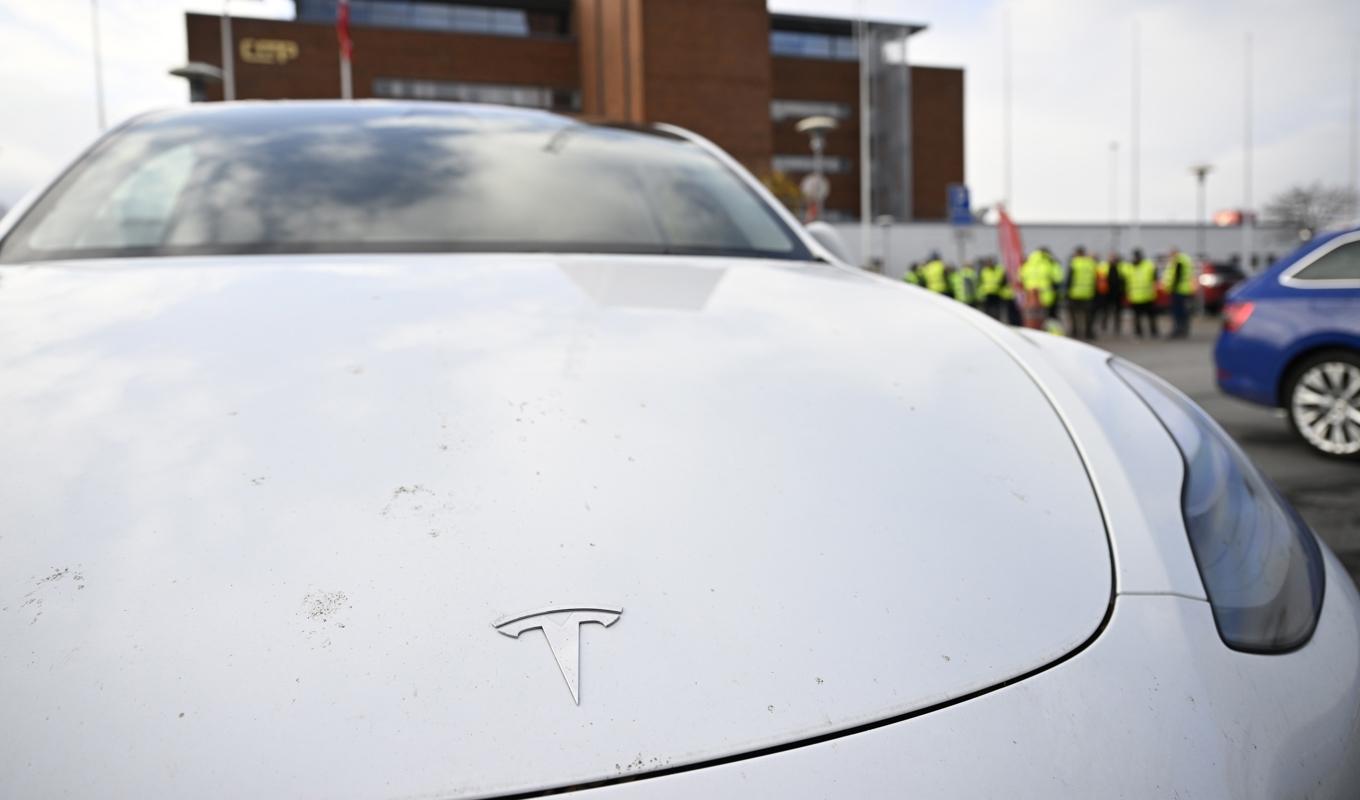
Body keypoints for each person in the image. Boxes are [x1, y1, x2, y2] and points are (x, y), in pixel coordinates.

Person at [1121, 247, 1159, 338]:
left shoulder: (1148, 265)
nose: (1136, 258)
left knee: (1151, 316)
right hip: (1135, 296)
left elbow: (1155, 278)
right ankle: (1139, 332)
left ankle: (1153, 332)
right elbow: (1124, 280)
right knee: (1137, 317)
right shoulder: (1128, 267)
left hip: (1148, 296)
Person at [1162, 247, 1197, 338]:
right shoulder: (1185, 260)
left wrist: (1171, 288)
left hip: (1179, 290)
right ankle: (1183, 330)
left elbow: (1176, 277)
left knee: (1178, 312)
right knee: (1184, 312)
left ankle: (1178, 331)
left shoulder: (1179, 262)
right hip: (1184, 290)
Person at [1065, 246, 1098, 340]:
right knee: (1088, 315)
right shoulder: (1091, 263)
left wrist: (1067, 292)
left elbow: (1069, 279)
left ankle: (1075, 332)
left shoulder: (1074, 263)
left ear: (1077, 253)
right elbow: (1095, 279)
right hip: (1088, 293)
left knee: (1074, 315)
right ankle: (1088, 333)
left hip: (1075, 293)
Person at [1020, 248, 1056, 324]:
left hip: (1030, 296)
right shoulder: (1047, 264)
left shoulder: (1027, 265)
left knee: (1031, 317)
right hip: (1046, 296)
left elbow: (1020, 279)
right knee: (1045, 318)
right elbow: (1057, 278)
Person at [1096, 251, 1127, 336]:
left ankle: (1117, 327)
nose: (1113, 259)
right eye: (1111, 257)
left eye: (1114, 257)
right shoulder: (1103, 266)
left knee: (1117, 311)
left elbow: (1125, 278)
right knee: (1105, 310)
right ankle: (1104, 325)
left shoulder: (1121, 266)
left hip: (1117, 293)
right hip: (1106, 293)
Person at [977, 256, 1009, 321]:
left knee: (997, 310)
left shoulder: (999, 270)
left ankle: (997, 321)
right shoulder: (983, 271)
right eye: (988, 263)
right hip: (987, 294)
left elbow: (1004, 281)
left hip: (997, 293)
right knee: (987, 311)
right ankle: (988, 321)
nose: (989, 264)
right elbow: (980, 283)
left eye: (990, 262)